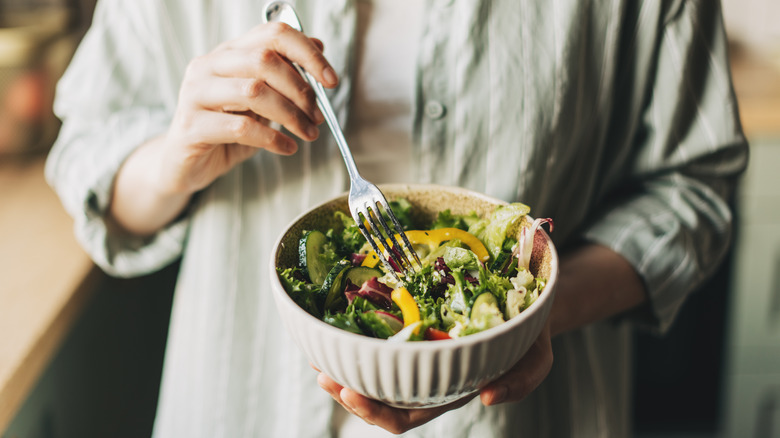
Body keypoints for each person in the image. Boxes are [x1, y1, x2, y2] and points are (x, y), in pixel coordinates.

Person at [45, 0, 747, 436]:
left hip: (526, 417)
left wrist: (535, 312)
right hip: (240, 401)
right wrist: (178, 157)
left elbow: (695, 191)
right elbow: (91, 163)